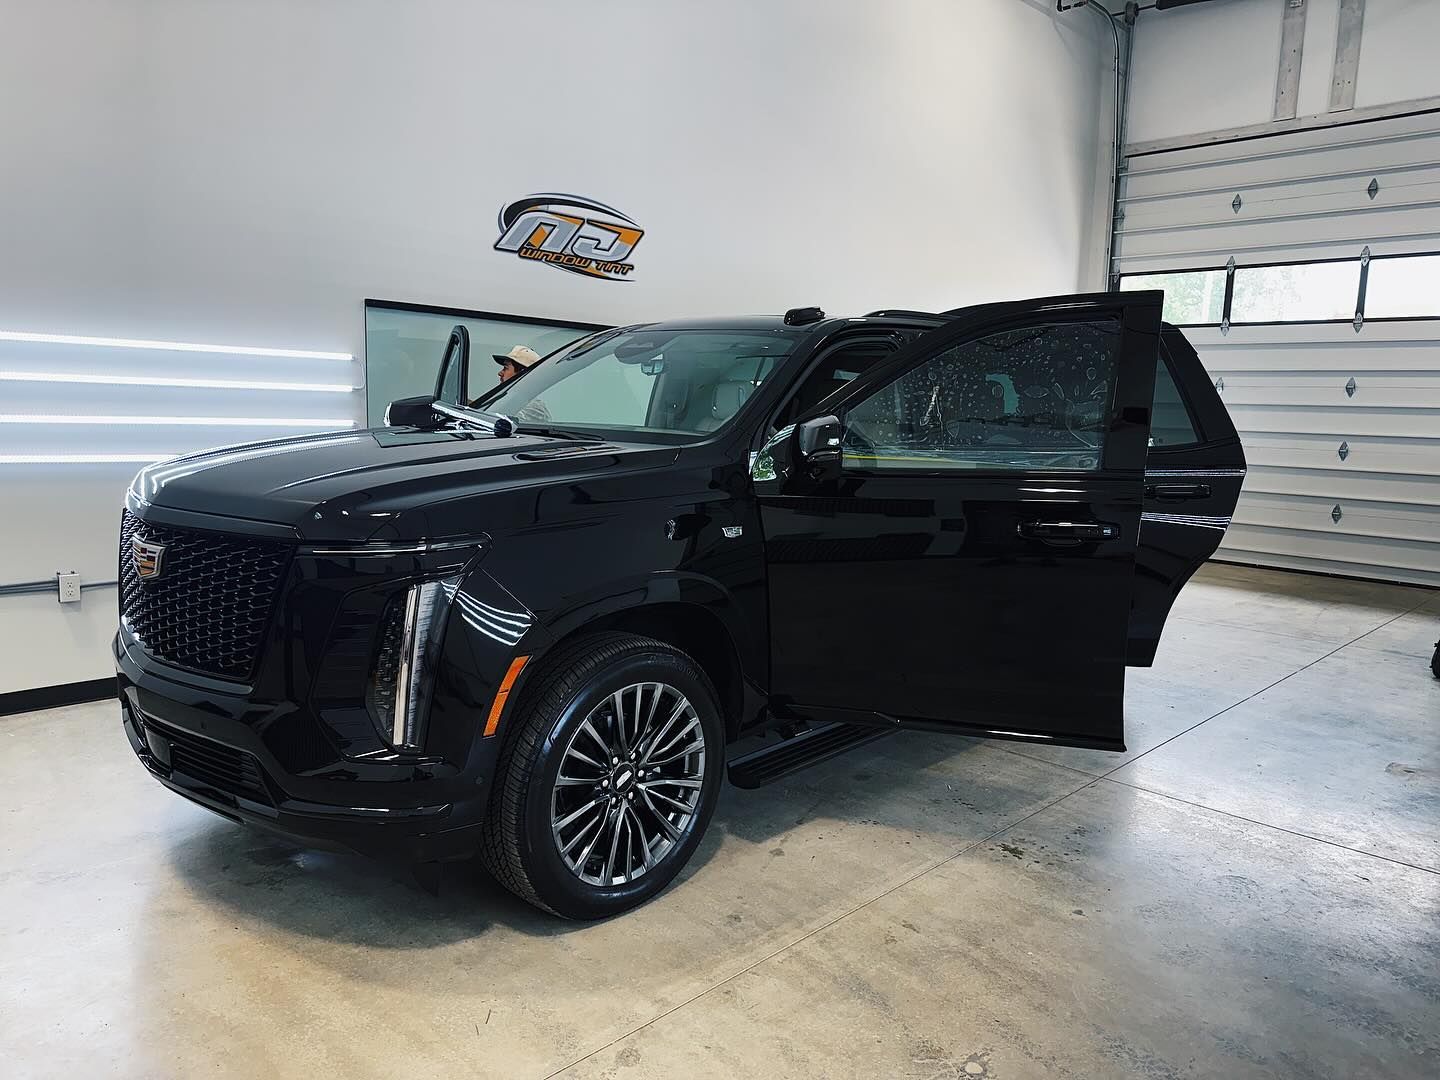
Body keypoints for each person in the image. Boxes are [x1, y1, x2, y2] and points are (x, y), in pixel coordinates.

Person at [479, 343, 552, 425]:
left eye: (506, 368)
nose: (500, 373)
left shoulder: (534, 408)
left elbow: (492, 421)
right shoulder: (512, 402)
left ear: (521, 374)